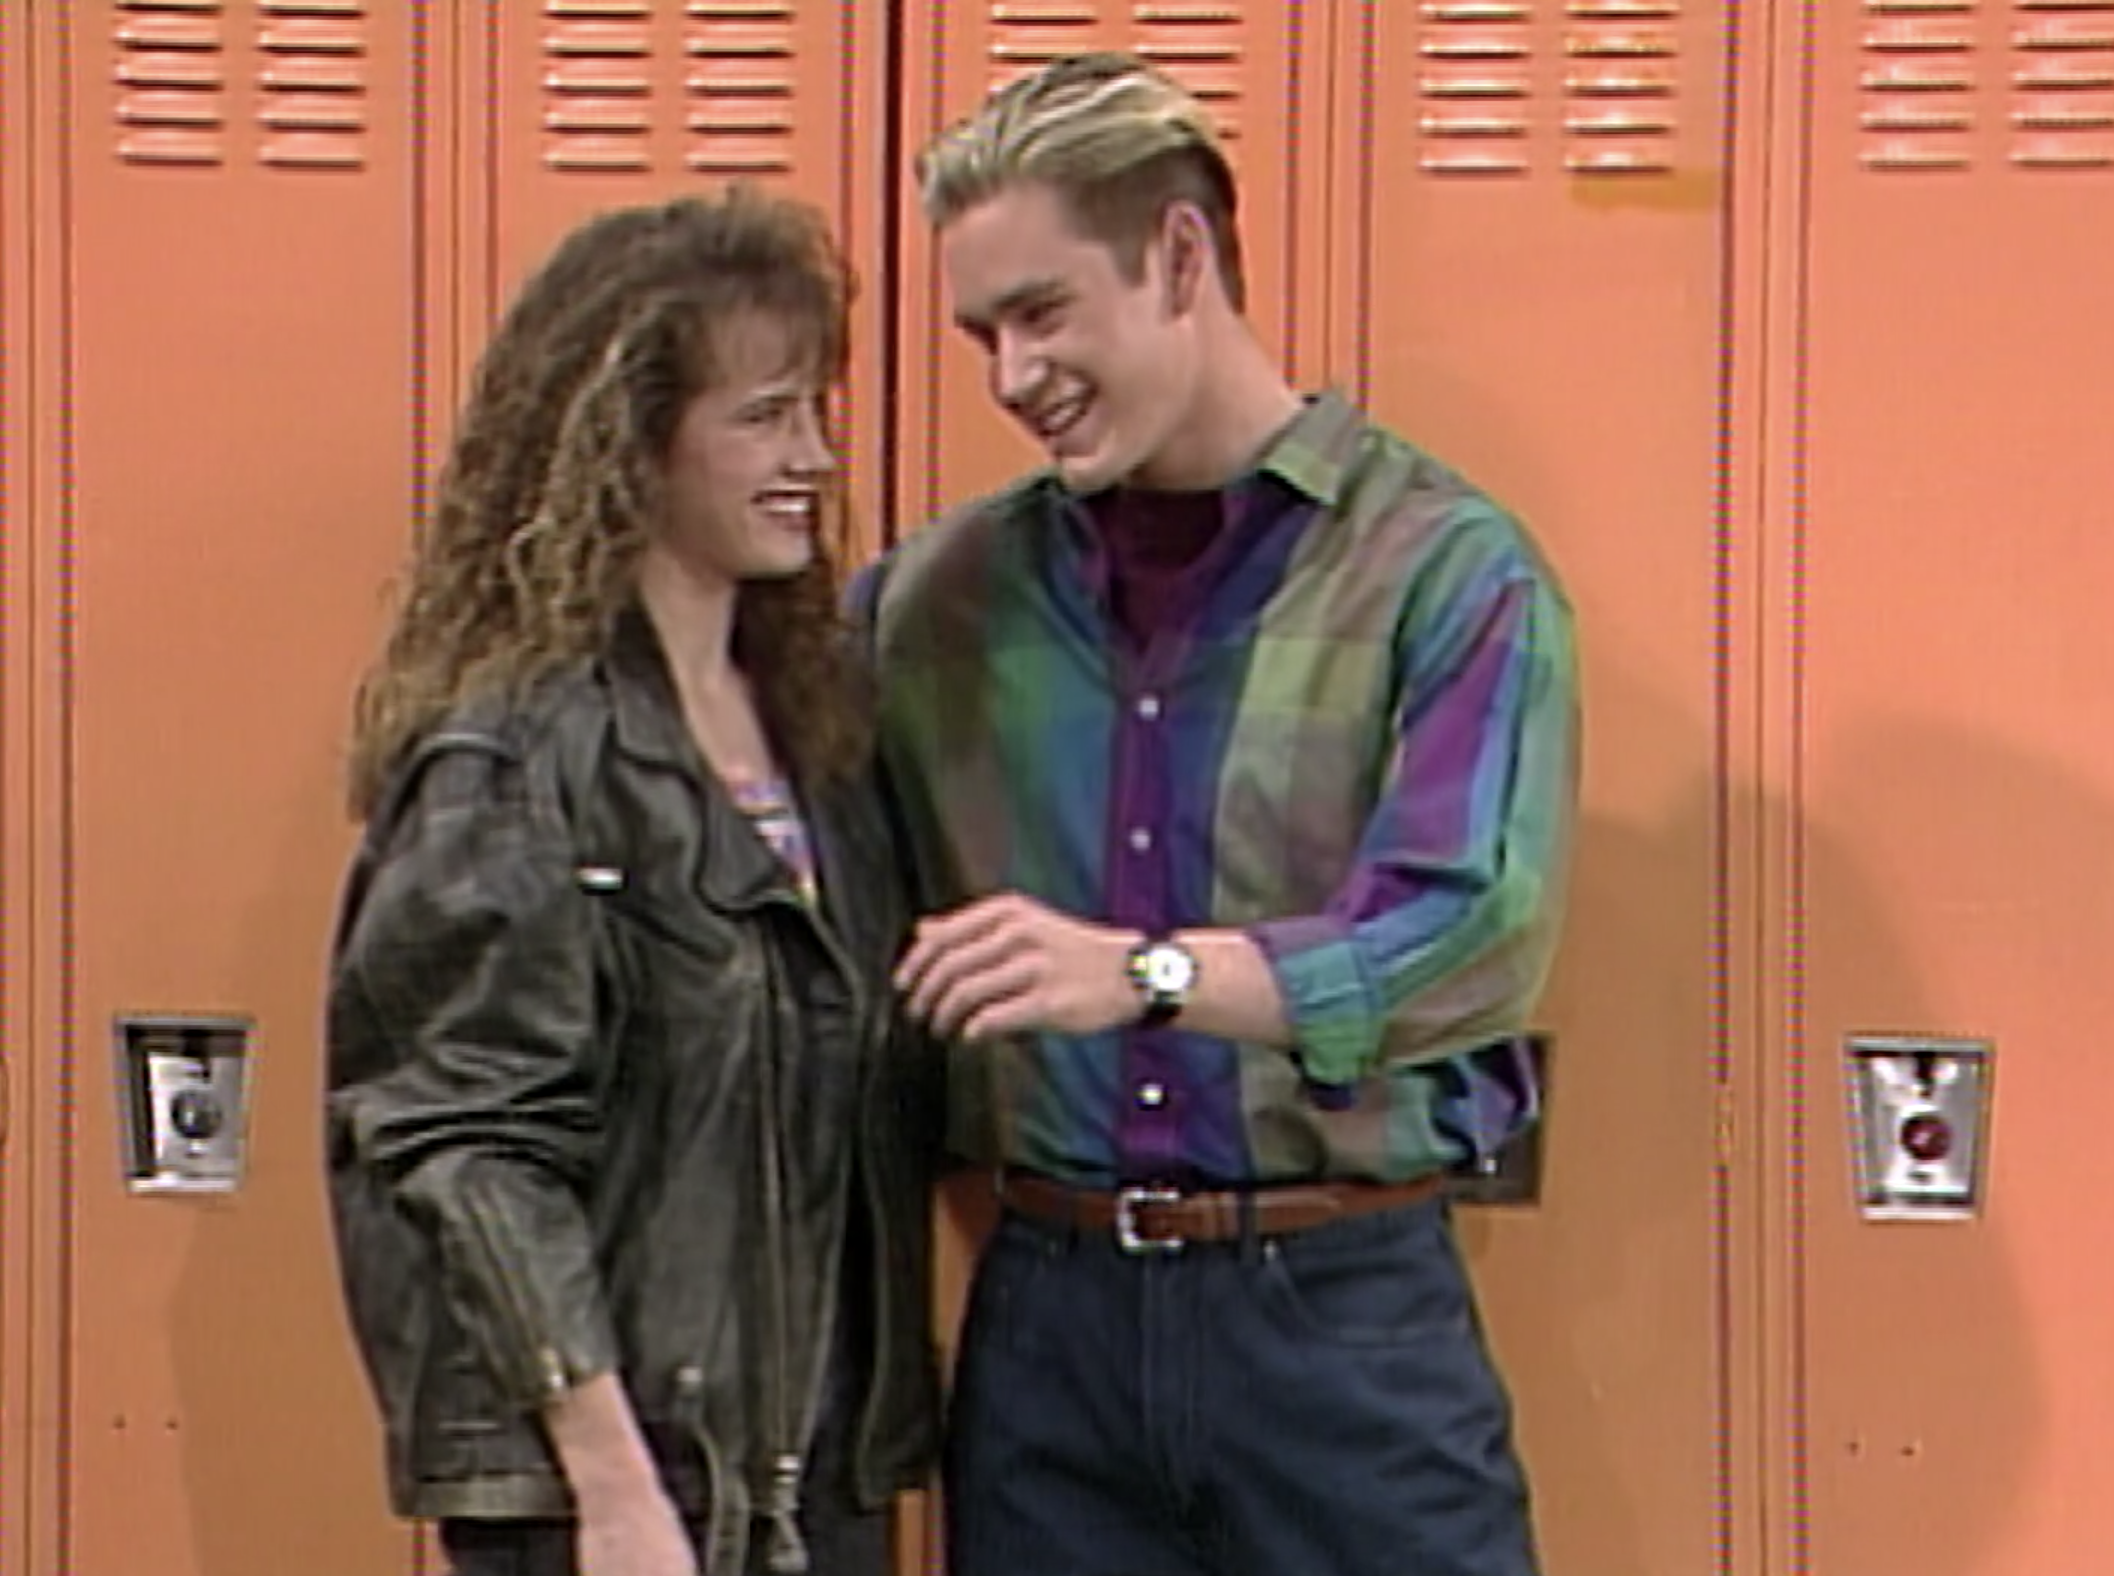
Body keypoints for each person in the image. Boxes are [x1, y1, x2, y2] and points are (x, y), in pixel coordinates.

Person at [852, 51, 1581, 1576]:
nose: (1008, 377)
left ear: (1180, 258)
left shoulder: (1441, 571)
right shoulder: (937, 602)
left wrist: (1151, 972)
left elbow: (1471, 933)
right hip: (1046, 1327)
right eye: (982, 332)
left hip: (1341, 1321)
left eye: (1043, 312)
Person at [323, 188, 942, 1576]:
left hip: (807, 1476)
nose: (815, 458)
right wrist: (609, 1488)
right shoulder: (519, 756)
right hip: (622, 1496)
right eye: (765, 417)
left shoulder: (819, 732)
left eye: (815, 412)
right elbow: (468, 1150)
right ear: (630, 445)